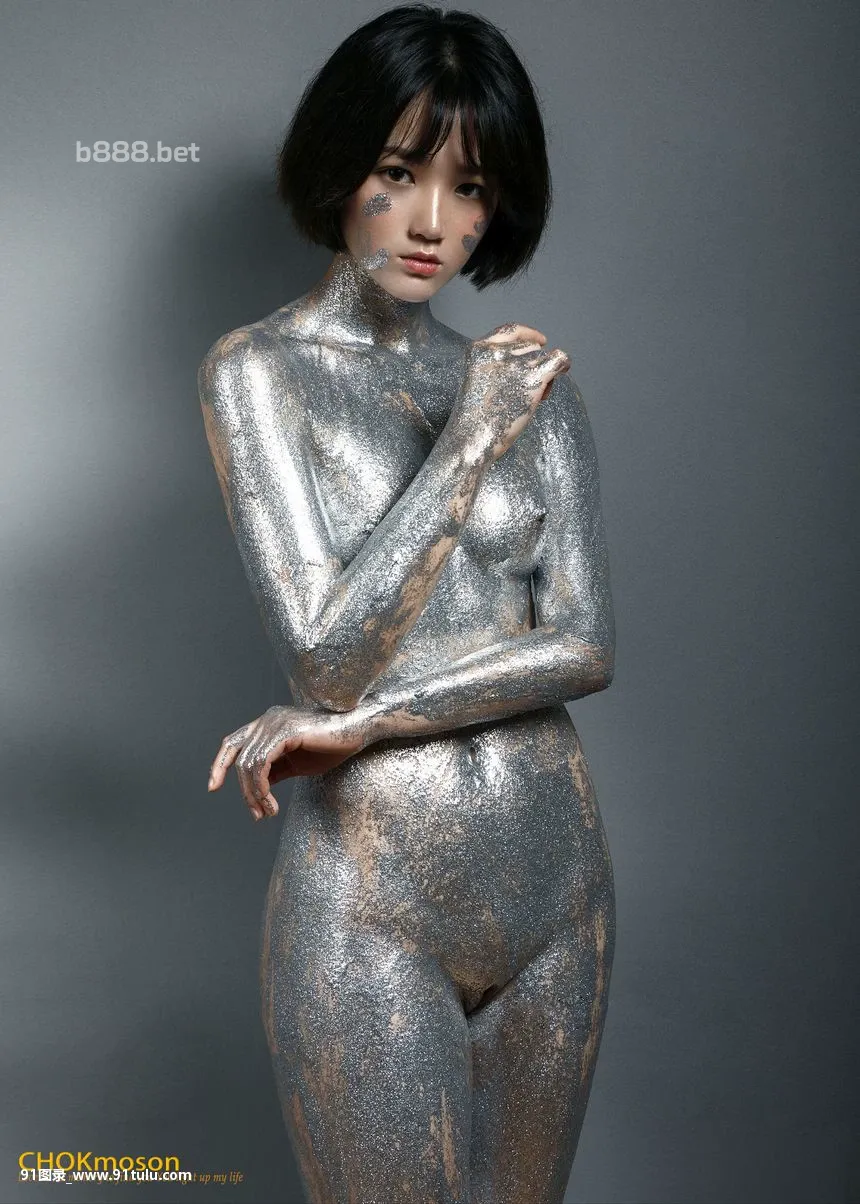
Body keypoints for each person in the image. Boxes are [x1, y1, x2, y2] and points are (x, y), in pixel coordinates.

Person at [199, 6, 616, 1202]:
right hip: (375, 900)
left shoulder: (528, 384)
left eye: (467, 186)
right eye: (396, 173)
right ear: (338, 170)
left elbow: (584, 645)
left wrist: (372, 725)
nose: (431, 220)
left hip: (558, 888)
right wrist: (469, 441)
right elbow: (326, 661)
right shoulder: (260, 374)